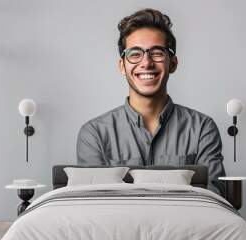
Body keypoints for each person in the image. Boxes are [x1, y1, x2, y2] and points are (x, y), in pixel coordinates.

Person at [76, 8, 226, 195]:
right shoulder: (95, 134)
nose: (146, 63)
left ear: (173, 63)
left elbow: (212, 199)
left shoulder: (202, 129)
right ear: (122, 65)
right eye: (135, 53)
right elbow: (93, 205)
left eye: (157, 52)